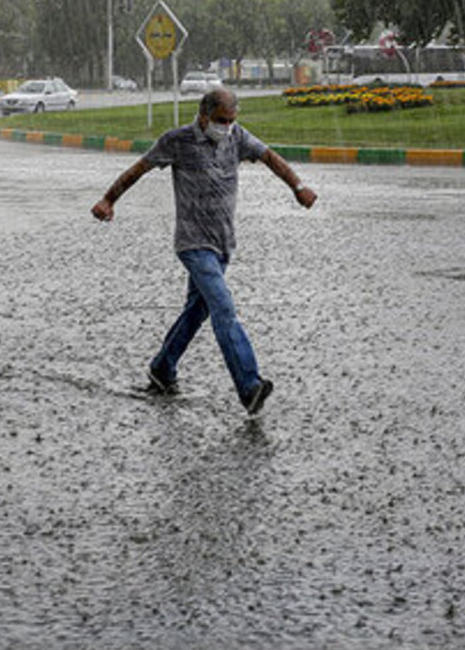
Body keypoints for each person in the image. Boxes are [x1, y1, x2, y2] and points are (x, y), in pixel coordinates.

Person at [91, 87, 317, 415]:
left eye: (231, 121)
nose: (227, 127)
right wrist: (109, 200)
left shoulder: (236, 137)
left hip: (223, 244)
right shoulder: (177, 141)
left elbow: (270, 157)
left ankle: (162, 368)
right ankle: (249, 386)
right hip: (194, 244)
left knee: (197, 311)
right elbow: (139, 169)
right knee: (223, 308)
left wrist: (298, 187)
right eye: (222, 120)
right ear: (204, 115)